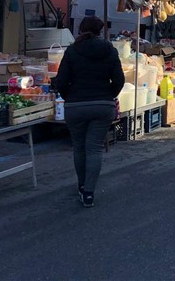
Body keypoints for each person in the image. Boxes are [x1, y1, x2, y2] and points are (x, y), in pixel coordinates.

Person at [54, 16, 125, 208]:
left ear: (81, 30)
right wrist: (108, 95)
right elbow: (119, 80)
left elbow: (60, 81)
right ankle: (89, 193)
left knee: (79, 147)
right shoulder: (110, 50)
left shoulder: (72, 51)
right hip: (102, 106)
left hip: (75, 106)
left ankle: (81, 185)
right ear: (100, 31)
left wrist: (70, 96)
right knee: (94, 148)